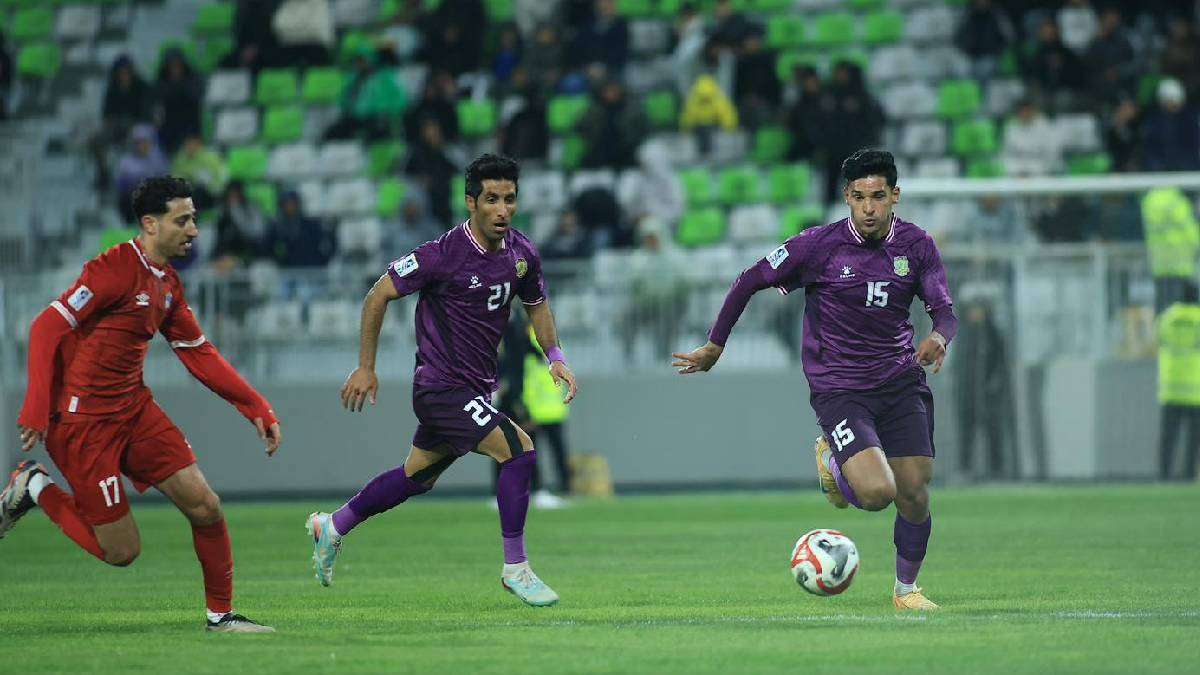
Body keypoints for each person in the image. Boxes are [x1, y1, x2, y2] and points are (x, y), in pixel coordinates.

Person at [673, 149, 956, 611]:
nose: (869, 207)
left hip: (901, 381)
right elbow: (750, 279)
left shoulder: (917, 245)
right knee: (876, 493)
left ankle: (906, 592)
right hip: (840, 388)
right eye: (860, 197)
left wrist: (941, 338)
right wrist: (715, 345)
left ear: (895, 197)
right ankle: (832, 459)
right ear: (847, 197)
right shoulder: (818, 246)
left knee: (915, 492)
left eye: (878, 197)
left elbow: (943, 310)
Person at [0, 176, 282, 633]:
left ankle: (221, 617)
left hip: (133, 411)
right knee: (122, 552)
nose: (194, 230)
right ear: (150, 224)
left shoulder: (167, 283)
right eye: (183, 220)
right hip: (83, 422)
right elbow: (45, 328)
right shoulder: (113, 268)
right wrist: (35, 407)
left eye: (194, 219)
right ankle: (34, 487)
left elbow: (199, 353)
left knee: (205, 506)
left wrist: (256, 406)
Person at [305, 154, 579, 607]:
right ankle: (517, 568)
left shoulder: (522, 254)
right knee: (519, 451)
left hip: (474, 387)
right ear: (471, 202)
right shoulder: (441, 255)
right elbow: (378, 295)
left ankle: (332, 526)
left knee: (416, 477)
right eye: (491, 199)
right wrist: (367, 366)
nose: (502, 210)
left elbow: (537, 306)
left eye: (509, 199)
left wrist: (555, 356)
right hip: (440, 387)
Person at [1156, 303, 1200, 481]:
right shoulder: (1198, 319)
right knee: (1193, 439)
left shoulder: (1167, 318)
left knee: (1168, 438)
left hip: (1170, 390)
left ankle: (1163, 475)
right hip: (1195, 391)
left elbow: (1156, 337)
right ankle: (1189, 475)